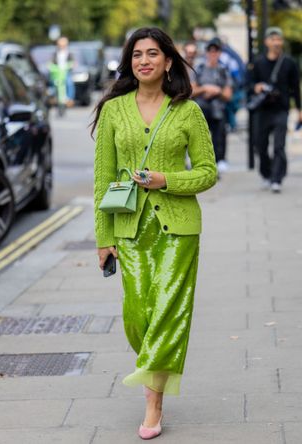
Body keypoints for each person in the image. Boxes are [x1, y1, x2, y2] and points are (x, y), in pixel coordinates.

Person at [92, 27, 217, 439]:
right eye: (136, 55)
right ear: (130, 63)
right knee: (136, 317)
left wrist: (167, 180)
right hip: (129, 228)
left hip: (177, 229)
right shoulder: (113, 110)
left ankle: (153, 403)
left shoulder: (187, 112)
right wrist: (103, 237)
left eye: (152, 53)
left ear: (167, 62)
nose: (143, 60)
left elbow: (207, 172)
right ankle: (155, 373)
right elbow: (103, 178)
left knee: (167, 313)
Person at [250, 27, 302, 193]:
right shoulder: (257, 63)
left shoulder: (289, 63)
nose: (276, 42)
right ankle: (267, 174)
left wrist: (300, 109)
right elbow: (248, 84)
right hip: (262, 111)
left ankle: (277, 178)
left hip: (281, 109)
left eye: (279, 39)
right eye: (273, 39)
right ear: (266, 42)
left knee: (279, 146)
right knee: (260, 145)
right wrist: (256, 87)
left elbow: (295, 88)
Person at [192, 38, 233, 174]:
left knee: (219, 138)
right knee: (200, 139)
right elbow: (191, 90)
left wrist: (217, 91)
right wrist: (204, 89)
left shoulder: (223, 71)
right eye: (210, 51)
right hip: (201, 109)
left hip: (218, 110)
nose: (213, 54)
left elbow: (228, 94)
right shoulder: (199, 69)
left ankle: (219, 161)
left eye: (216, 51)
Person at [49, 36, 75, 107]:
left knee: (69, 82)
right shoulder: (55, 53)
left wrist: (71, 65)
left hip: (65, 72)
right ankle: (53, 96)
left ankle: (69, 99)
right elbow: (51, 62)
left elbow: (73, 62)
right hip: (57, 72)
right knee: (52, 82)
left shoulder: (69, 53)